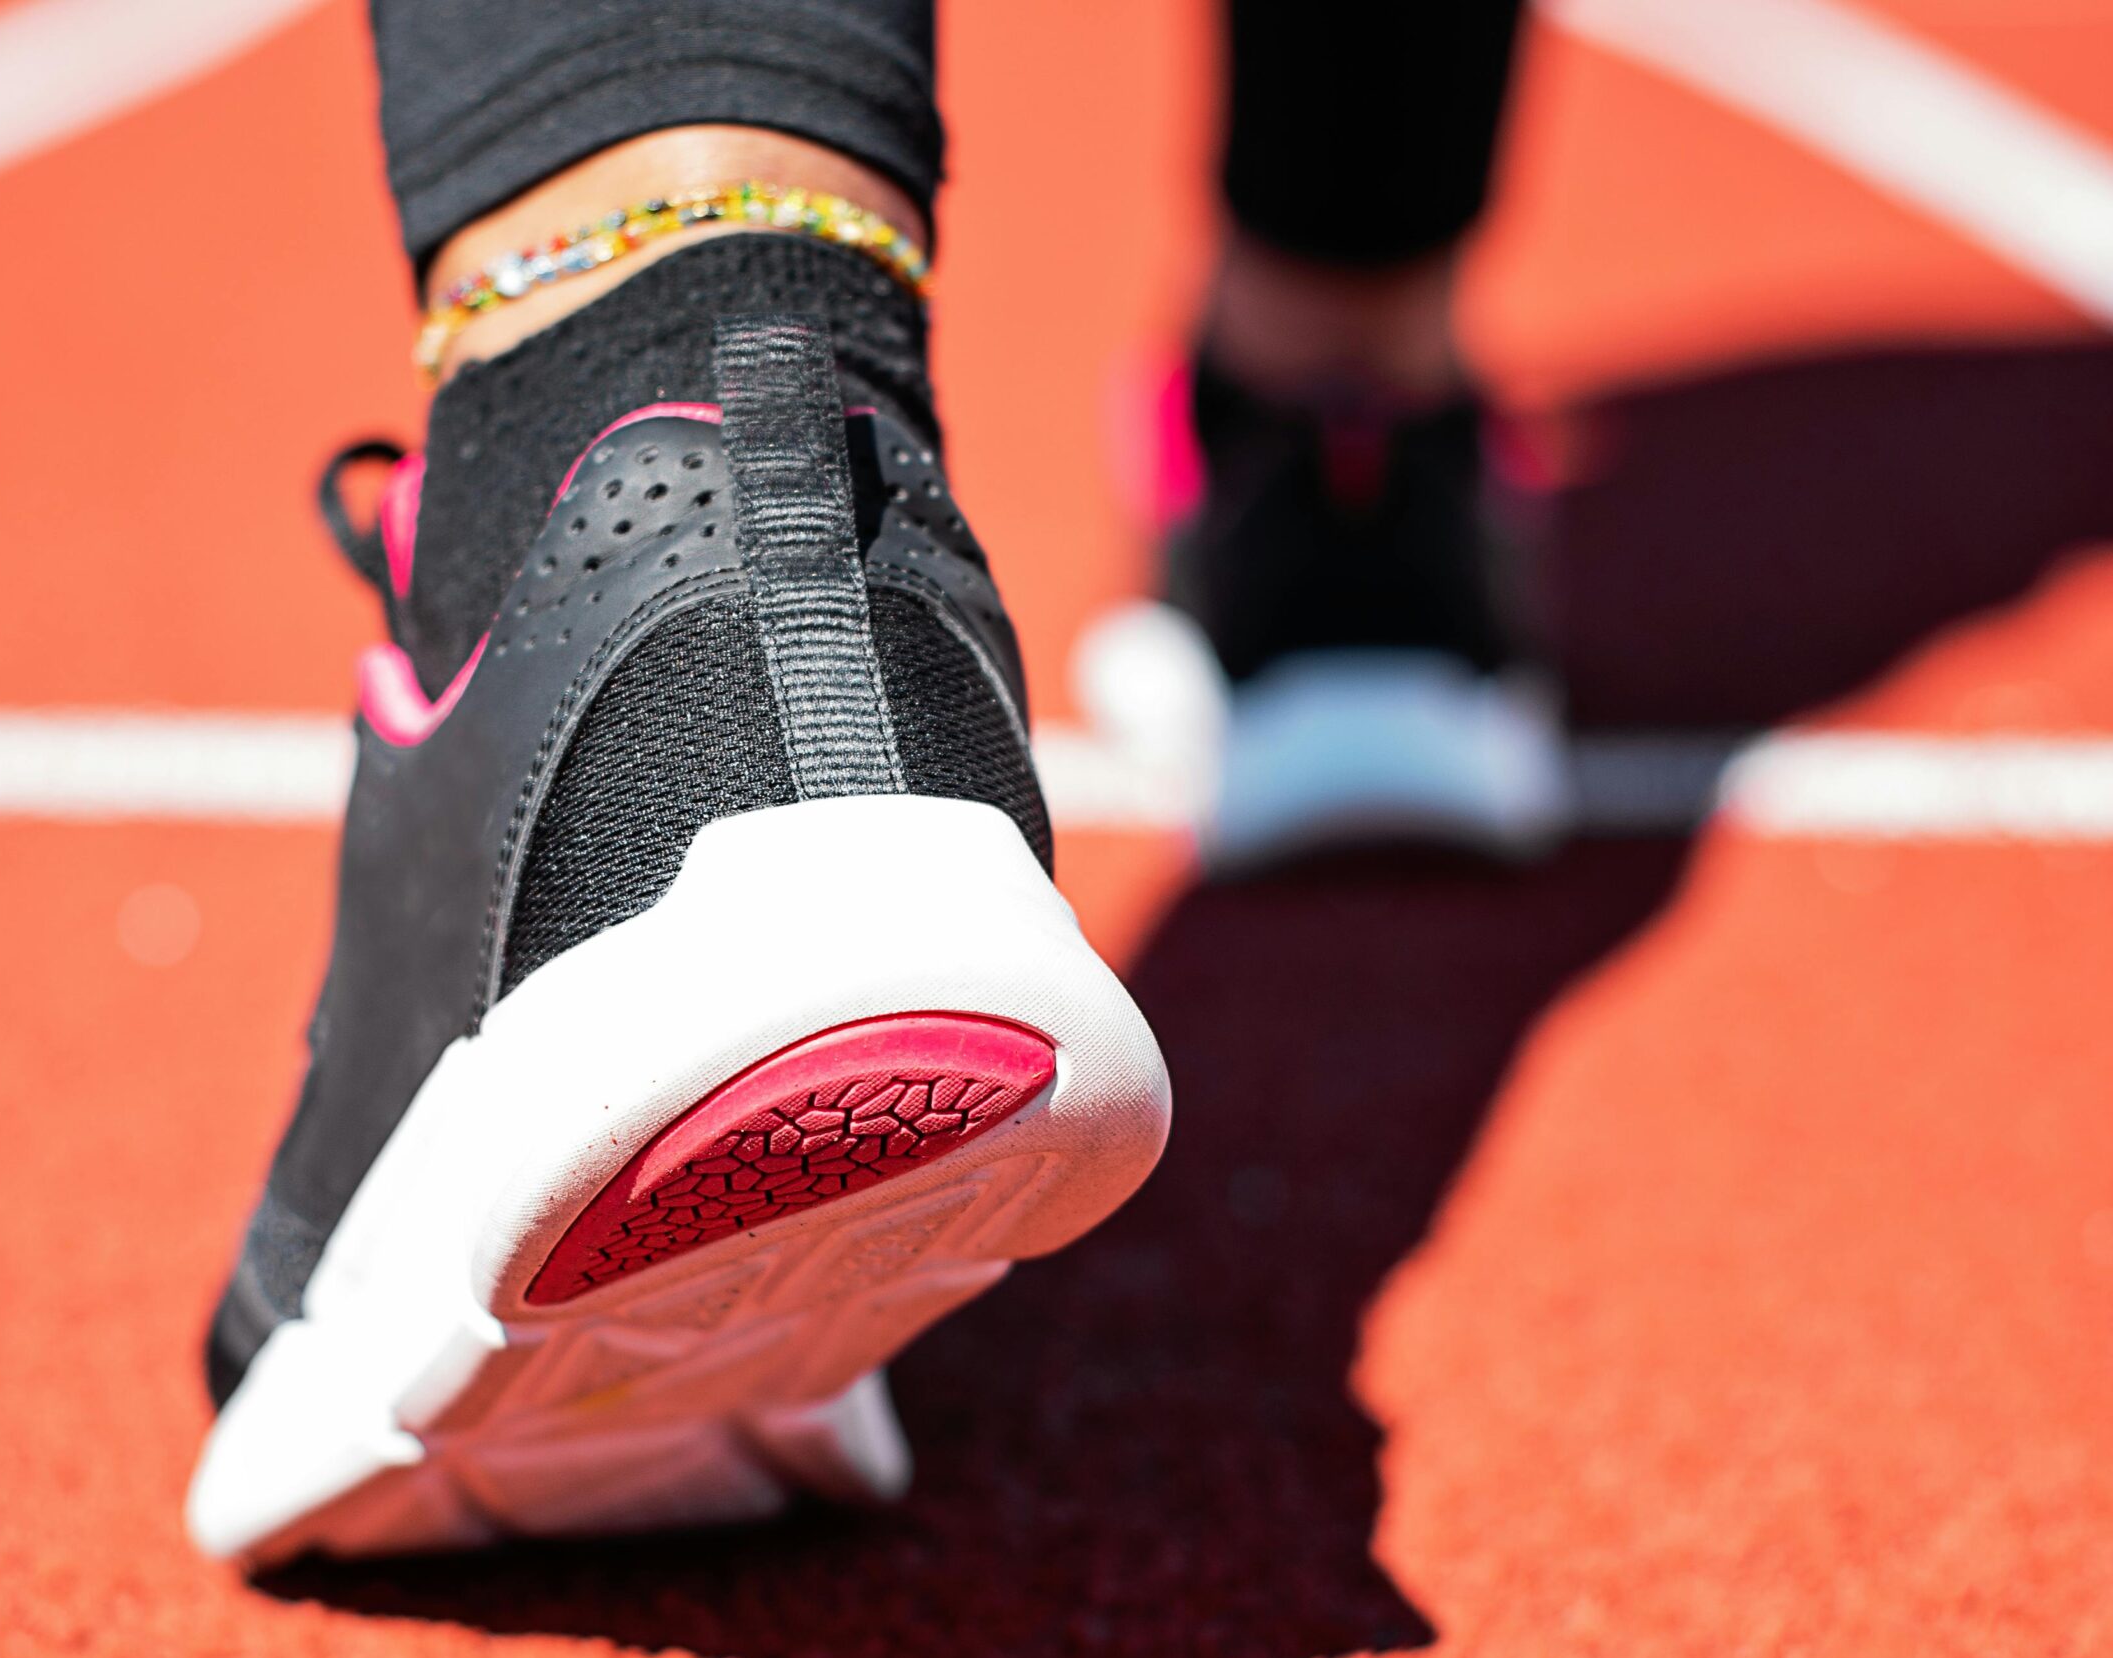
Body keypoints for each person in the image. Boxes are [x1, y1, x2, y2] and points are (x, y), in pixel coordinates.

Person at [186, 0, 1534, 1563]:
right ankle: (1347, 451)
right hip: (924, 670)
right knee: (1359, 352)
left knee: (648, 315)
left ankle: (614, 453)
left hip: (649, 684)